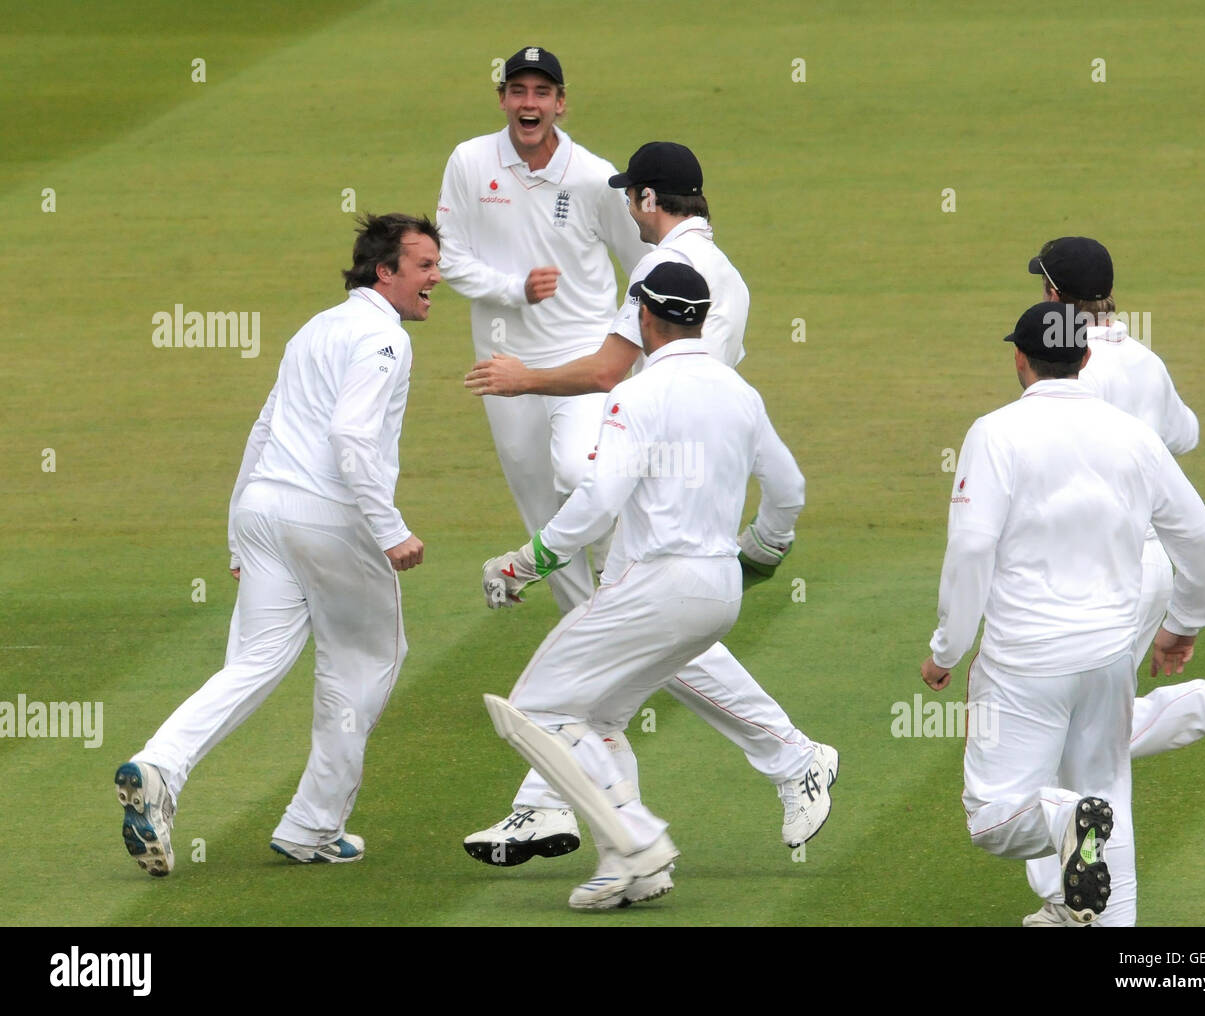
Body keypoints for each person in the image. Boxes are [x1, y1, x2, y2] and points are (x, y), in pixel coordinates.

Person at [462, 143, 836, 880]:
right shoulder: (724, 272)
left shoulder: (658, 272)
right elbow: (784, 484)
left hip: (659, 495)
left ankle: (638, 826)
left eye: (632, 196)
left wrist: (523, 380)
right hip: (706, 493)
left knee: (570, 687)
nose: (627, 207)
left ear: (647, 201)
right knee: (611, 689)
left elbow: (608, 374)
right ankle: (605, 838)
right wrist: (763, 547)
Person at [114, 214, 437, 875]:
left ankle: (157, 766)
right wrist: (390, 528)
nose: (438, 276)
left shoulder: (315, 328)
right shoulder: (385, 339)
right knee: (365, 662)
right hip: (330, 520)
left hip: (265, 511)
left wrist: (239, 532)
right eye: (425, 265)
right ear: (386, 272)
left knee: (252, 664)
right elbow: (351, 438)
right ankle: (312, 827)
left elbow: (264, 429)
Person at [921, 301, 1205, 925]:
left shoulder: (994, 432)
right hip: (1110, 657)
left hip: (1024, 663)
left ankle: (1063, 822)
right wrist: (1185, 621)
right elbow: (1196, 535)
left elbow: (973, 547)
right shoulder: (1133, 436)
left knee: (994, 820)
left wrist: (947, 648)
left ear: (1018, 358)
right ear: (1086, 358)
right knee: (1106, 797)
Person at [1018, 237, 1205, 926]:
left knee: (1072, 751)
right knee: (1088, 734)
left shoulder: (1068, 375)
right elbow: (1184, 435)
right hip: (1155, 568)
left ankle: (1090, 913)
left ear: (1055, 298)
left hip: (1100, 572)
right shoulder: (1144, 361)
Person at [435, 45, 652, 614]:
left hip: (581, 352)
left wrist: (644, 353)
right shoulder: (469, 161)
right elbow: (449, 258)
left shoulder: (593, 177)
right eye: (518, 91)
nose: (528, 104)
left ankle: (618, 564)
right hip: (502, 369)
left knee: (579, 468)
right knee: (541, 514)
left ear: (561, 104)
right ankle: (589, 636)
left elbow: (643, 264)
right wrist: (514, 289)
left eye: (542, 93)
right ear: (503, 99)